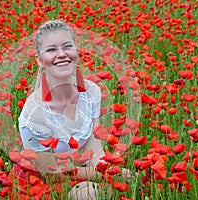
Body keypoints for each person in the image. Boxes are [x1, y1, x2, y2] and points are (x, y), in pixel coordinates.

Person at [18, 20, 121, 199]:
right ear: (39, 60)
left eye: (67, 47)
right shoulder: (34, 115)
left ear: (77, 52)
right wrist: (100, 175)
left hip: (81, 171)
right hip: (45, 181)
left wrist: (108, 170)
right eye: (51, 50)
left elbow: (94, 145)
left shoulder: (91, 92)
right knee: (89, 194)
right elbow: (51, 173)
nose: (62, 54)